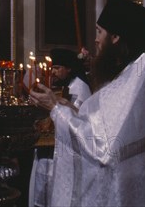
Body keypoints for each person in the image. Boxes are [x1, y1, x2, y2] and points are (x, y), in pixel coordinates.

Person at [30, 0, 145, 206]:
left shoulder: (136, 78)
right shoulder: (130, 73)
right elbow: (105, 123)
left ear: (115, 37)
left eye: (99, 32)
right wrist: (69, 108)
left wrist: (56, 110)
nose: (95, 39)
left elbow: (103, 150)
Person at [28, 48, 91, 207]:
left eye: (57, 68)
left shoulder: (80, 87)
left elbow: (80, 119)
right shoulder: (52, 86)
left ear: (69, 68)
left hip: (64, 149)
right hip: (46, 147)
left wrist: (60, 106)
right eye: (52, 68)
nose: (53, 72)